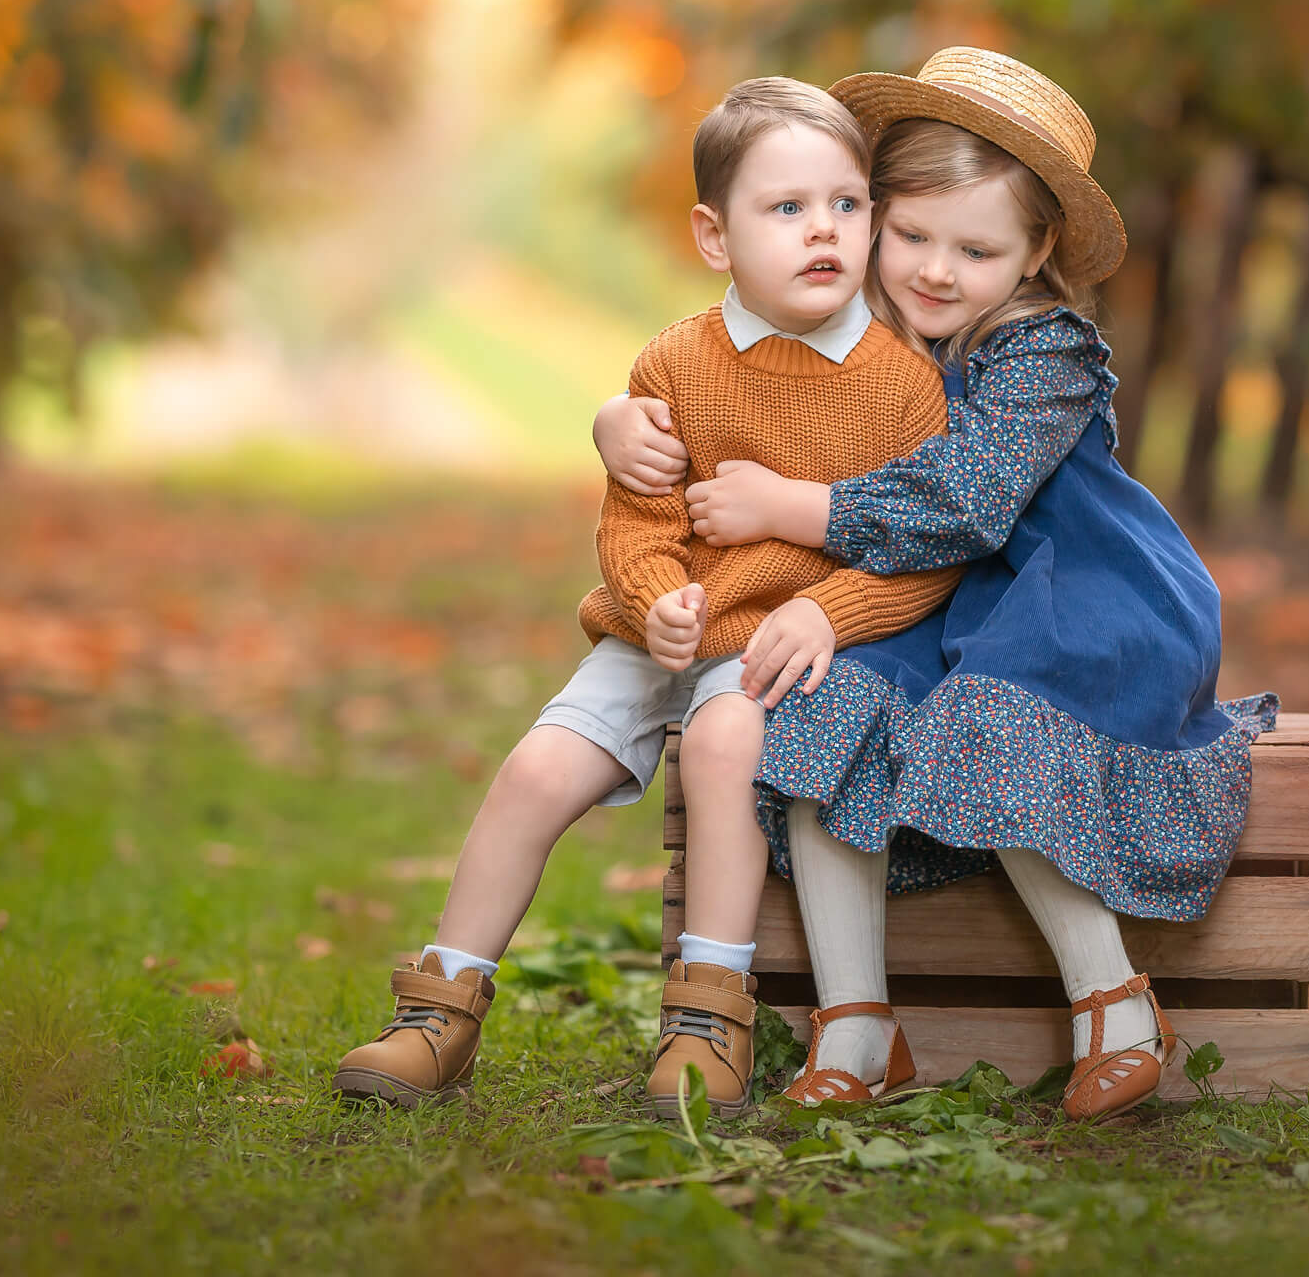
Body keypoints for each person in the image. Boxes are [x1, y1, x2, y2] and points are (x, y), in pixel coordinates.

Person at [595, 47, 1276, 1122]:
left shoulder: (1041, 350)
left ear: (1038, 250)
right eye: (909, 235)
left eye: (978, 248)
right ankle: (857, 1025)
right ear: (870, 221)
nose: (937, 271)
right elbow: (718, 358)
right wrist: (620, 420)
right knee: (814, 717)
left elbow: (970, 501)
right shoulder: (857, 340)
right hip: (939, 607)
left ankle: (1116, 1005)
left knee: (988, 725)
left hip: (1076, 596)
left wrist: (793, 514)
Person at [335, 76, 960, 1118]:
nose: (825, 232)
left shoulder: (902, 382)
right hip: (654, 634)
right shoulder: (675, 363)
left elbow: (925, 550)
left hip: (768, 644)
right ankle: (440, 1009)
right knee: (536, 769)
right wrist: (657, 594)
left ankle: (707, 1016)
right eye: (788, 209)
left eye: (848, 205)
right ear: (715, 237)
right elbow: (636, 519)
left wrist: (829, 615)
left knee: (722, 753)